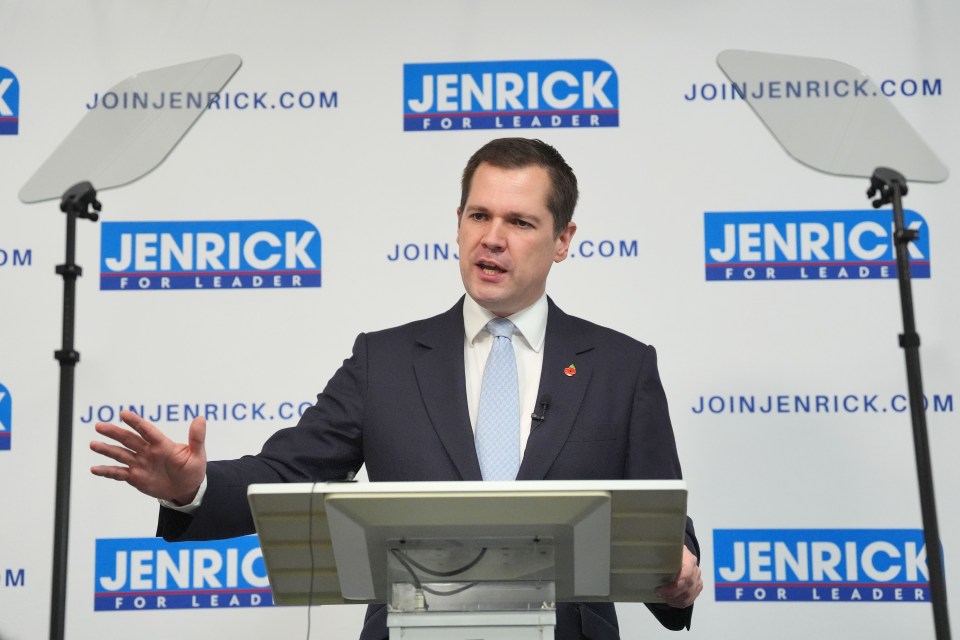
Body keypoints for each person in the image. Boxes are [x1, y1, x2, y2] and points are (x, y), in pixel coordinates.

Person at [91, 137, 703, 639]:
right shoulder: (383, 360)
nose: (492, 237)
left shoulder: (622, 367)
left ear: (564, 239)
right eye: (478, 215)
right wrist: (193, 487)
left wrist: (681, 571)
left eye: (519, 221)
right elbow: (288, 473)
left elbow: (668, 530)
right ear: (458, 224)